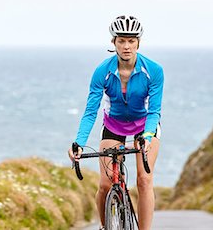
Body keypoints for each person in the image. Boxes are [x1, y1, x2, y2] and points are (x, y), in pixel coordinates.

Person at [68, 15, 164, 230]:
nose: (127, 46)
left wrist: (147, 137)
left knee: (144, 180)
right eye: (121, 40)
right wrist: (79, 142)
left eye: (131, 40)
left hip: (144, 127)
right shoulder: (102, 71)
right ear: (114, 43)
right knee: (105, 184)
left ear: (139, 42)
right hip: (114, 126)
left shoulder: (154, 71)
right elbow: (91, 111)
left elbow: (155, 111)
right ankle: (105, 226)